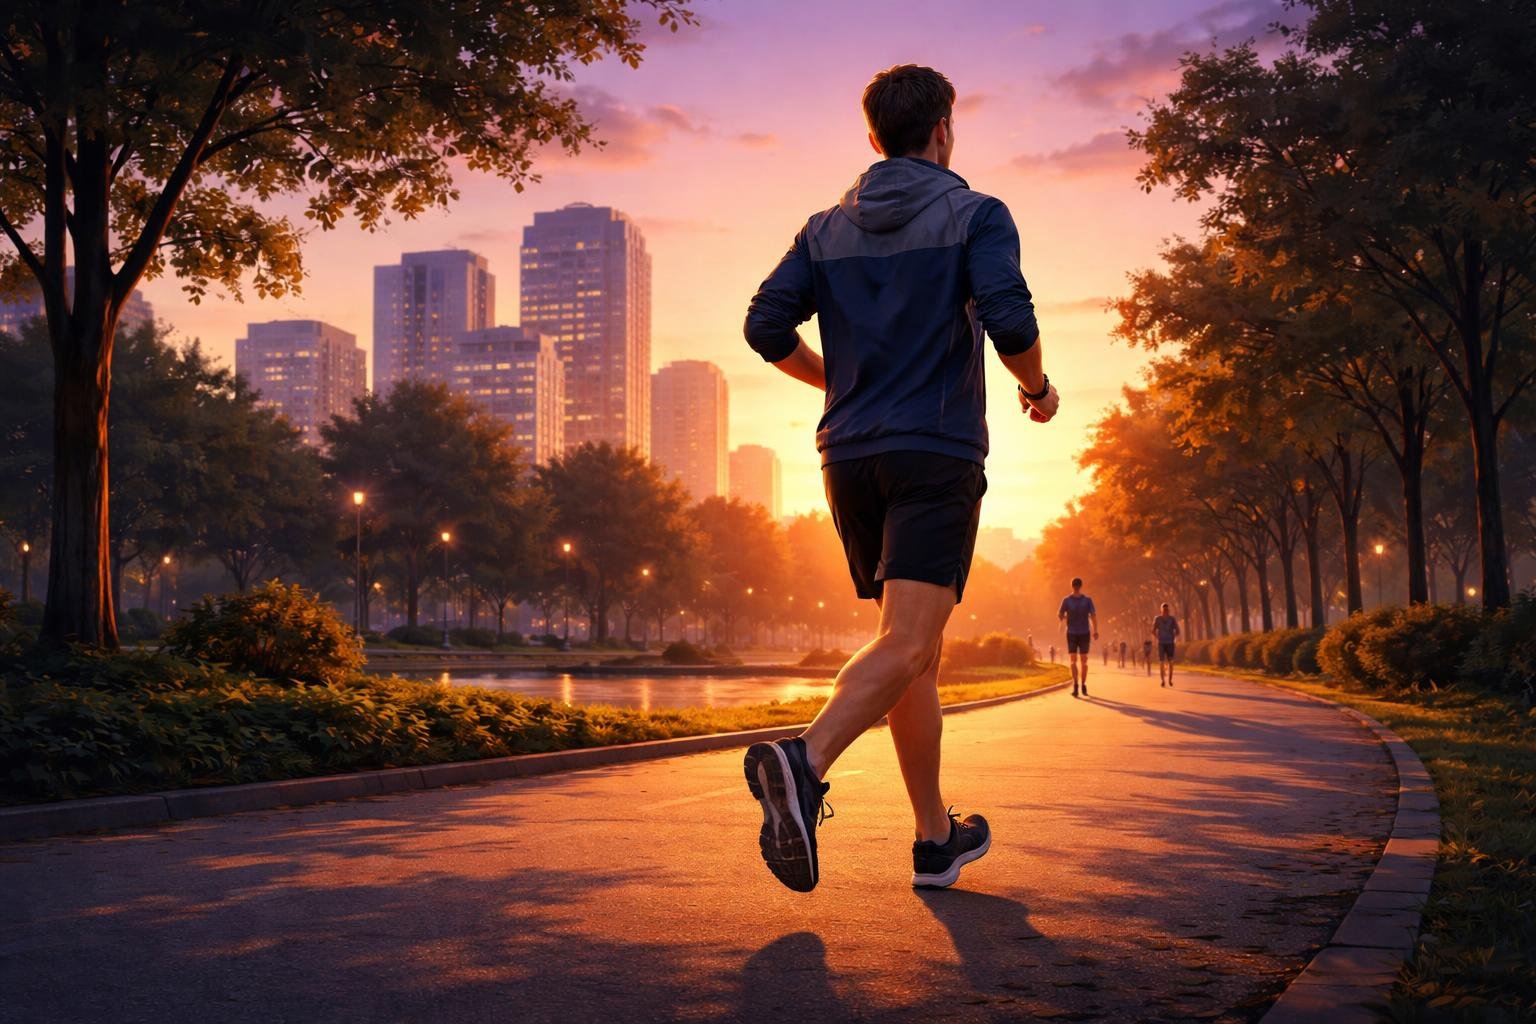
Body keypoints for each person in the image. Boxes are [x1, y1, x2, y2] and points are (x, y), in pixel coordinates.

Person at [739, 64, 1059, 893]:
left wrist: (836, 381)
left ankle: (935, 839)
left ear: (874, 137)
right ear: (944, 127)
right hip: (935, 451)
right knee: (911, 641)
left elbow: (764, 325)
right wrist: (1036, 388)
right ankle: (803, 763)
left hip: (848, 458)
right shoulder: (974, 212)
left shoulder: (823, 229)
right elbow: (1011, 318)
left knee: (910, 650)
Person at [1058, 577, 1098, 698]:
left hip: (1076, 633)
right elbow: (1093, 616)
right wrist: (1095, 631)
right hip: (1079, 633)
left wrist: (1065, 618)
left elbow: (1060, 615)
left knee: (1075, 660)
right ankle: (1081, 684)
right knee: (1082, 660)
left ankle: (1077, 684)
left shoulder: (1069, 600)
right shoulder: (1085, 600)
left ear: (1073, 586)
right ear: (1081, 586)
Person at [1153, 603, 1180, 687]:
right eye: (1164, 609)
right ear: (1161, 610)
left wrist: (1174, 636)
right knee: (1161, 662)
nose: (1166, 611)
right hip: (1161, 643)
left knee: (1171, 661)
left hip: (1170, 643)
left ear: (1169, 610)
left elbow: (1178, 630)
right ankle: (1163, 681)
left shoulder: (1172, 619)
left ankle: (1170, 680)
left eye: (1167, 609)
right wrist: (1157, 636)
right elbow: (1153, 630)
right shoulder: (1157, 619)